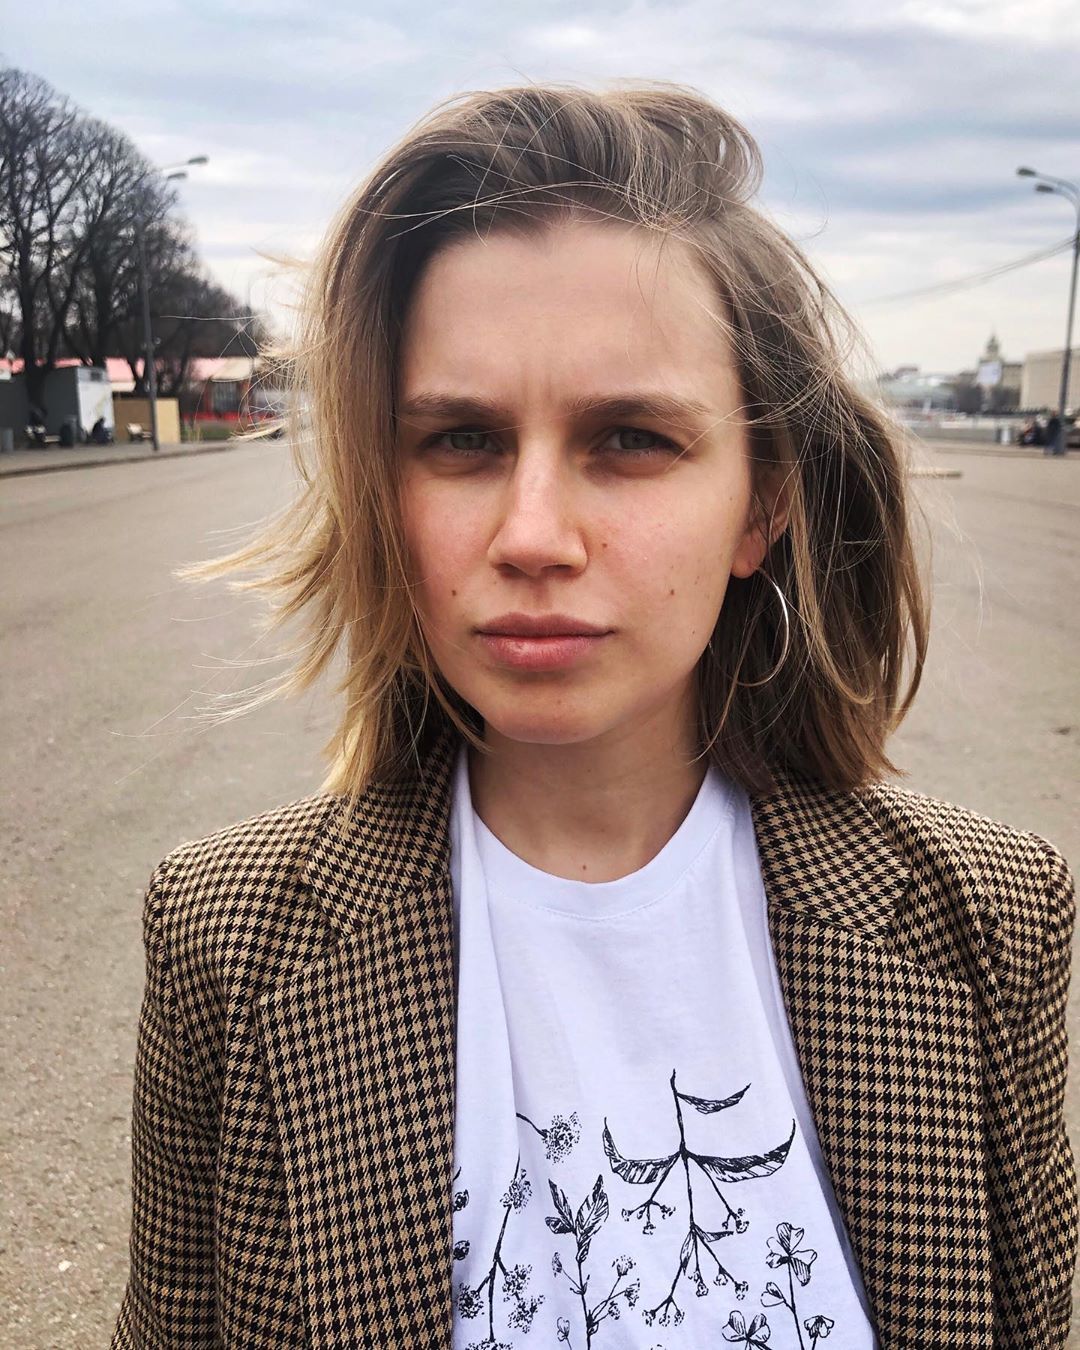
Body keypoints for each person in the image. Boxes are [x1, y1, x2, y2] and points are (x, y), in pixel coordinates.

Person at [112, 85, 1077, 1349]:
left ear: (762, 504)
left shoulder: (983, 919)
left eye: (629, 438)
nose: (531, 536)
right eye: (461, 439)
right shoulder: (228, 942)